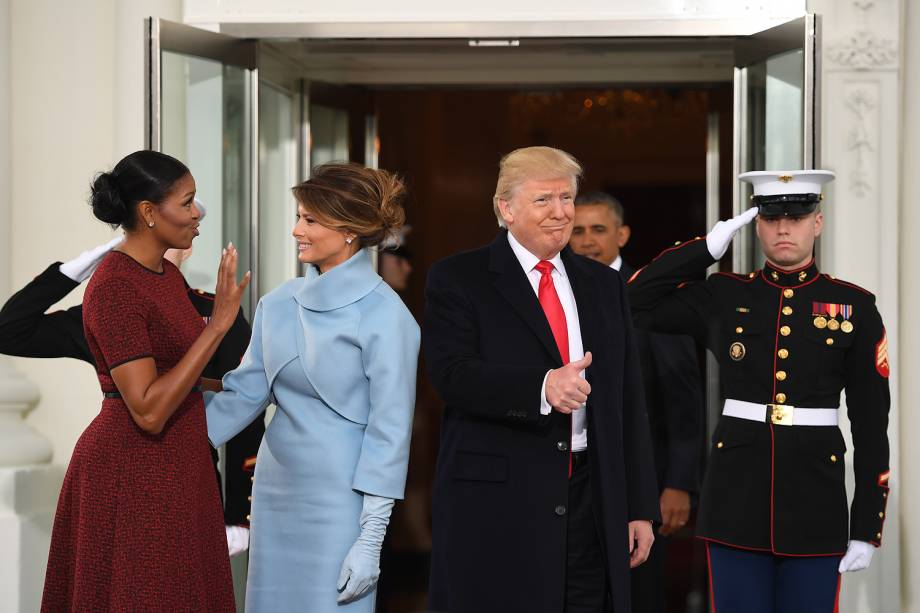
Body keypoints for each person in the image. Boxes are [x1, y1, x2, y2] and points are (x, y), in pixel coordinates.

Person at [627, 170, 890, 612]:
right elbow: (634, 303)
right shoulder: (724, 294)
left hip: (816, 503)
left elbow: (871, 423)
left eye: (797, 216)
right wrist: (706, 250)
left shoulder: (854, 306)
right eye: (771, 219)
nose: (784, 228)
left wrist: (866, 526)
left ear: (817, 223)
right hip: (734, 500)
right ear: (758, 224)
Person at [424, 146, 660, 613]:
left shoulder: (604, 284)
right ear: (505, 209)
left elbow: (628, 399)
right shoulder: (458, 278)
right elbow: (452, 376)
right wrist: (541, 386)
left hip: (594, 499)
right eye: (543, 200)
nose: (560, 213)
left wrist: (639, 507)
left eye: (566, 198)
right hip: (500, 502)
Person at [205, 162, 419, 612]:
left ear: (349, 231)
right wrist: (160, 437)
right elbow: (243, 394)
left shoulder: (388, 316)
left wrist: (372, 537)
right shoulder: (278, 302)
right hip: (274, 492)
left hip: (341, 501)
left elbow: (389, 433)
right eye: (299, 216)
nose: (296, 229)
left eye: (310, 219)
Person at [41, 150, 249, 611]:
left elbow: (175, 372)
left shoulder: (165, 276)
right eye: (188, 202)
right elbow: (150, 410)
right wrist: (217, 325)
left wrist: (246, 385)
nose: (198, 214)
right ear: (149, 213)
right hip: (134, 471)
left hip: (180, 463)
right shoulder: (115, 285)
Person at [0, 205, 262, 556]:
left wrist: (238, 516)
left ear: (187, 246)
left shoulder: (215, 312)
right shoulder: (109, 307)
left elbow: (245, 409)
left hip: (189, 475)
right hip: (120, 478)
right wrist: (70, 272)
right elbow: (9, 332)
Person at [570, 191, 704, 613]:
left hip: (642, 483)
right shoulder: (556, 292)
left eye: (598, 229)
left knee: (639, 593)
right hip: (574, 481)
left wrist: (678, 483)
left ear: (622, 235)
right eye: (577, 230)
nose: (587, 241)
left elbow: (682, 398)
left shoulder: (650, 295)